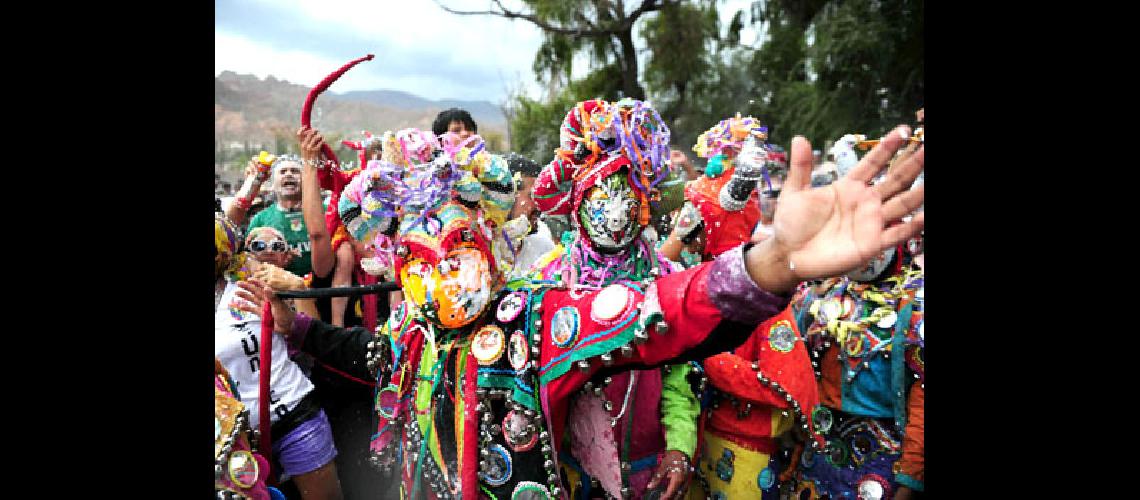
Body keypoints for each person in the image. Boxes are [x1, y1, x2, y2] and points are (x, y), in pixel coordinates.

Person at [233, 104, 924, 500]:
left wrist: (774, 262)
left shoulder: (530, 317)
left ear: (494, 239)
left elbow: (659, 314)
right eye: (417, 252)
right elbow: (371, 351)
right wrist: (297, 326)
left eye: (459, 241)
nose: (442, 266)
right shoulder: (416, 338)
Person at [522, 100, 699, 500]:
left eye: (626, 199)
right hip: (569, 470)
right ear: (578, 207)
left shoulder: (665, 279)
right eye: (600, 198)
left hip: (648, 469)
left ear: (642, 207)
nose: (614, 215)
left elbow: (678, 375)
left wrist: (679, 448)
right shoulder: (549, 279)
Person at [788, 145, 925, 500]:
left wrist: (909, 482)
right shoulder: (816, 296)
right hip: (818, 453)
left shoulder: (915, 305)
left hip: (884, 463)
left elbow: (921, 405)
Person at [215, 215, 342, 500]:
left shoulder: (253, 282)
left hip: (295, 416)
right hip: (232, 440)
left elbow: (312, 335)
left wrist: (297, 290)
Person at [248, 155, 317, 277]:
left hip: (321, 288)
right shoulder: (260, 219)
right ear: (272, 184)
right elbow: (249, 259)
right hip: (276, 289)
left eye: (295, 171)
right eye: (283, 172)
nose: (289, 174)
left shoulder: (324, 213)